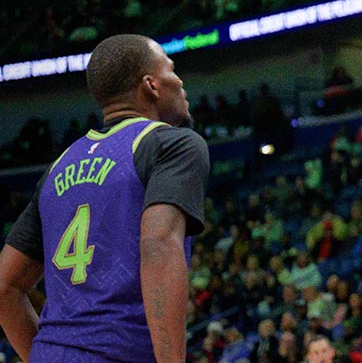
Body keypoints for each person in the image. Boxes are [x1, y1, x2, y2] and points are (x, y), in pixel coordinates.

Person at [0, 34, 210, 363]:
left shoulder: (58, 167)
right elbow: (158, 245)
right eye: (171, 69)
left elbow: (4, 288)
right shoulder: (174, 144)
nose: (180, 80)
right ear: (151, 85)